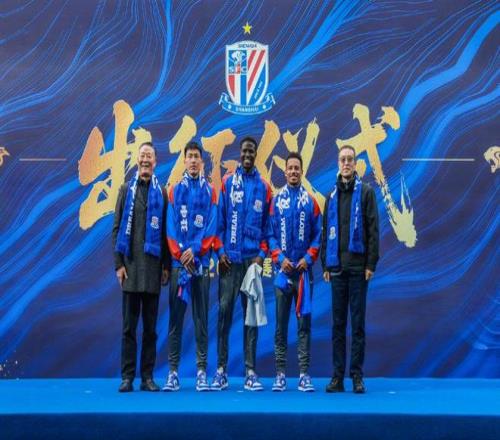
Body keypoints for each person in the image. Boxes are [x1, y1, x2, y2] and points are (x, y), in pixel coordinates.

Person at [211, 136, 272, 391]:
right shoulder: (228, 183)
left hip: (252, 263)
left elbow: (268, 228)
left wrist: (261, 255)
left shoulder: (264, 187)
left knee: (251, 318)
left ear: (256, 154)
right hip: (230, 261)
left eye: (251, 152)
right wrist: (220, 252)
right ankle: (221, 371)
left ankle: (250, 372)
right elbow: (219, 222)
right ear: (240, 153)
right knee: (224, 314)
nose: (247, 155)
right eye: (244, 151)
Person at [112, 142, 170, 393]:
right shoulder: (126, 190)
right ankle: (127, 377)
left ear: (155, 162)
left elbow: (167, 232)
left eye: (150, 156)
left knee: (150, 330)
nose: (146, 160)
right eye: (142, 155)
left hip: (153, 271)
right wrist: (118, 265)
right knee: (128, 329)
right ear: (137, 161)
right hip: (131, 270)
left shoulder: (162, 193)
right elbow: (116, 229)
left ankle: (147, 377)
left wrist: (166, 266)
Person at [321, 145, 379, 394]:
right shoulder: (331, 197)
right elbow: (325, 232)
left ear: (355, 164)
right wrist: (325, 264)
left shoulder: (366, 193)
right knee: (337, 326)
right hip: (336, 269)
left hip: (358, 270)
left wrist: (370, 264)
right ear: (338, 163)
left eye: (350, 159)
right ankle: (337, 377)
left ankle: (356, 376)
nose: (346, 163)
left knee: (357, 325)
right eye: (342, 159)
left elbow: (373, 230)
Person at [163, 141, 217, 392]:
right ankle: (173, 372)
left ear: (202, 162)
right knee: (176, 319)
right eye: (190, 156)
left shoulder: (210, 191)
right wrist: (180, 254)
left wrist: (195, 251)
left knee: (201, 319)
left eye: (197, 156)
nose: (193, 160)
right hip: (178, 265)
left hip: (201, 264)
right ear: (184, 161)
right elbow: (170, 227)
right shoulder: (174, 190)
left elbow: (212, 226)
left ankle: (201, 372)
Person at [268, 152, 322, 392]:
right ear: (285, 171)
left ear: (302, 171)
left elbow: (318, 235)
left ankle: (303, 375)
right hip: (282, 274)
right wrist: (279, 258)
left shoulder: (311, 202)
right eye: (289, 168)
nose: (293, 171)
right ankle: (280, 374)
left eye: (296, 168)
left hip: (303, 275)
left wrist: (307, 259)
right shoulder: (275, 202)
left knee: (304, 326)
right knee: (280, 326)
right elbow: (269, 234)